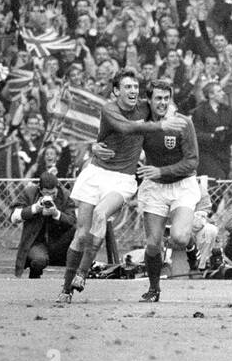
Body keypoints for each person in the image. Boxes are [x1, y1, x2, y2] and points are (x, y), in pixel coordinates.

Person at [56, 70, 186, 306]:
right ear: (116, 91)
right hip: (96, 172)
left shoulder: (146, 106)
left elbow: (167, 106)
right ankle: (66, 289)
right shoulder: (109, 109)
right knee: (81, 234)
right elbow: (127, 128)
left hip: (122, 179)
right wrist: (158, 127)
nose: (133, 91)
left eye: (136, 87)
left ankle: (82, 273)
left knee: (100, 214)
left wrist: (173, 115)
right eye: (127, 87)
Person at [135, 78, 201, 302]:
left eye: (166, 98)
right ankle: (154, 289)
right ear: (149, 100)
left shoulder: (183, 123)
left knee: (180, 238)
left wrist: (161, 171)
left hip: (182, 184)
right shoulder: (142, 124)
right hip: (155, 188)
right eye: (158, 98)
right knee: (153, 243)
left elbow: (192, 162)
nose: (162, 103)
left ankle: (192, 245)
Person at [11, 171, 76, 278]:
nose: (50, 196)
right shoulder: (29, 193)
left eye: (52, 193)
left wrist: (56, 213)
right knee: (38, 261)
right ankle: (34, 276)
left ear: (57, 187)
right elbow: (14, 217)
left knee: (80, 232)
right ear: (40, 189)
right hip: (36, 242)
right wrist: (35, 208)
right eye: (46, 193)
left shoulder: (65, 195)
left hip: (58, 242)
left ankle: (79, 274)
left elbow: (72, 221)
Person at [192, 81, 232, 180]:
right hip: (206, 154)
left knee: (227, 176)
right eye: (219, 91)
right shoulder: (200, 111)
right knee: (218, 178)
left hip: (224, 154)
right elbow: (195, 134)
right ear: (211, 95)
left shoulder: (227, 110)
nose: (223, 93)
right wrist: (213, 135)